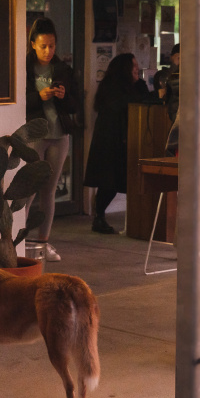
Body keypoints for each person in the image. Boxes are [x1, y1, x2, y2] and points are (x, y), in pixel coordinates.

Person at [24, 17, 79, 262]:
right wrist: (40, 96)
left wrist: (63, 96)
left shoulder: (62, 69)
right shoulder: (24, 67)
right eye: (43, 46)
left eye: (52, 46)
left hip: (59, 135)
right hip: (34, 135)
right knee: (27, 191)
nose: (48, 51)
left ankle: (43, 243)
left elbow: (75, 104)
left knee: (49, 191)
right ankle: (17, 242)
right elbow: (17, 102)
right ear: (33, 44)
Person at [84, 53, 147, 234]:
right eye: (133, 65)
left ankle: (100, 216)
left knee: (113, 181)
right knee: (109, 182)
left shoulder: (133, 87)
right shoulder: (113, 89)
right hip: (111, 142)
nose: (137, 69)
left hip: (121, 141)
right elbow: (127, 105)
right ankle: (99, 216)